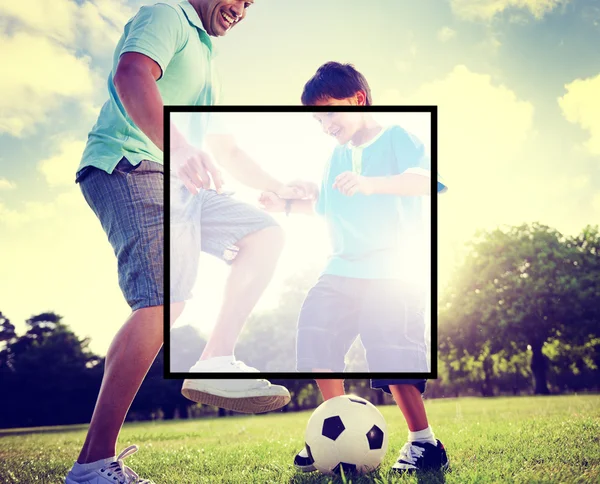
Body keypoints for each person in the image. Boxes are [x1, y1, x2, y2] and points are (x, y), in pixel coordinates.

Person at [66, 2, 300, 483]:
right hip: (129, 165)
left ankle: (215, 359)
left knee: (264, 232)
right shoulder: (169, 14)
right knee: (163, 298)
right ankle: (92, 465)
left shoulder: (206, 55)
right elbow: (130, 73)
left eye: (251, 4)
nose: (241, 9)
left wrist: (280, 189)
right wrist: (181, 148)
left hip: (176, 183)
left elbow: (227, 149)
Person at [260, 61, 449, 474]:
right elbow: (326, 207)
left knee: (391, 353)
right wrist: (287, 205)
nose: (324, 123)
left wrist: (371, 183)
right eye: (317, 117)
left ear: (358, 99)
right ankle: (338, 435)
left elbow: (425, 180)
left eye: (329, 111)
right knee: (315, 334)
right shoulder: (335, 158)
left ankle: (425, 443)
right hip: (343, 268)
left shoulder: (397, 137)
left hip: (394, 268)